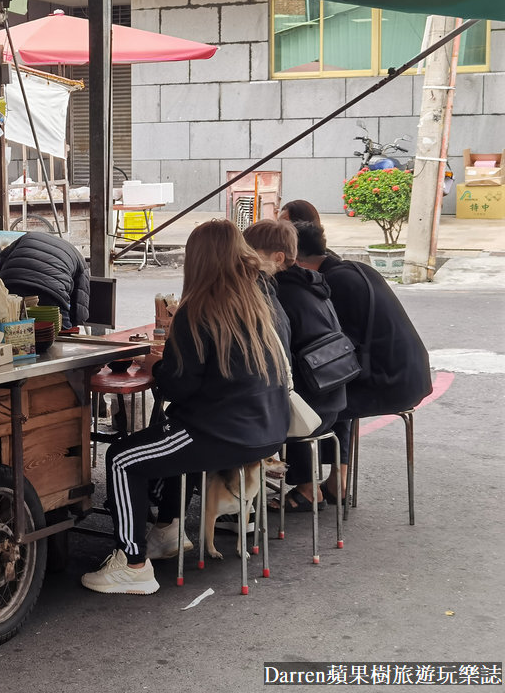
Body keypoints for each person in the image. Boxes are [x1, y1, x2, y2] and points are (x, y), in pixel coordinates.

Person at [81, 220, 289, 595]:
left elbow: (179, 386)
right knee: (165, 434)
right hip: (267, 429)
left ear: (198, 260)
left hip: (221, 432)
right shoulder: (258, 301)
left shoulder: (200, 310)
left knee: (123, 457)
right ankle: (168, 531)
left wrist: (155, 366)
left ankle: (132, 564)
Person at [293, 221, 432, 502]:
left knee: (297, 401)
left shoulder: (333, 283)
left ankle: (308, 489)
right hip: (411, 376)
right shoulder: (356, 269)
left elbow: (327, 347)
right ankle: (338, 482)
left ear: (296, 261)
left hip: (388, 383)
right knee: (333, 390)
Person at [242, 218, 348, 512]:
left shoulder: (276, 290)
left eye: (250, 254)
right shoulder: (312, 282)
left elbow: (276, 361)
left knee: (249, 402)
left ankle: (297, 490)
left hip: (308, 409)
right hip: (335, 399)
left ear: (277, 258)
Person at [0, 231, 90, 329]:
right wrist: (71, 325)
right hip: (51, 292)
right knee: (58, 332)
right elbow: (80, 305)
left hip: (11, 282)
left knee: (8, 327)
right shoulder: (79, 257)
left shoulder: (29, 236)